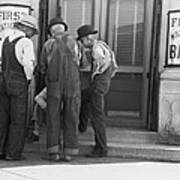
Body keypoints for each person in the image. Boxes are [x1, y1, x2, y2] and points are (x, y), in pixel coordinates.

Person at [39, 17, 81, 162]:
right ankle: (70, 152)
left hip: (54, 84)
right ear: (63, 28)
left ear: (51, 30)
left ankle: (53, 152)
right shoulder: (75, 43)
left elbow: (42, 67)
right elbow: (82, 63)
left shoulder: (48, 44)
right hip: (72, 84)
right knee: (72, 116)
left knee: (53, 116)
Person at [0, 14, 38, 160]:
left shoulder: (4, 40)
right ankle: (13, 153)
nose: (33, 34)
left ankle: (1, 150)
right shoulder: (25, 42)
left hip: (3, 81)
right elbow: (28, 64)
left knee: (2, 118)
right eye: (32, 31)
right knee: (18, 119)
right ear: (27, 29)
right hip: (18, 83)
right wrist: (28, 79)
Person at [77, 25, 118, 157]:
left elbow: (101, 61)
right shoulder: (103, 45)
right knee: (84, 97)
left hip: (98, 85)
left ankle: (101, 148)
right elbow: (114, 66)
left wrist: (97, 72)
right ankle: (81, 125)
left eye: (82, 41)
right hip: (102, 83)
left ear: (87, 38)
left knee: (97, 117)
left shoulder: (96, 48)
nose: (82, 44)